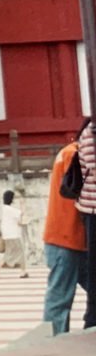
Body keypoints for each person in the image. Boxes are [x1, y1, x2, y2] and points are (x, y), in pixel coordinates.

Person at [43, 135, 88, 334]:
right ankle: (53, 343)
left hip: (70, 238)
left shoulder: (68, 152)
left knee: (60, 298)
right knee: (59, 300)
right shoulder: (75, 155)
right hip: (67, 237)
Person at [75, 120, 96, 328]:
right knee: (94, 264)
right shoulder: (90, 132)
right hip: (93, 209)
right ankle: (92, 317)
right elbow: (93, 167)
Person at [0, 190, 28, 278]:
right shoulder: (10, 209)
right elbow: (21, 215)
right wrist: (22, 203)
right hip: (13, 235)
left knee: (13, 254)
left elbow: (18, 220)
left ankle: (23, 272)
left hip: (9, 235)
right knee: (17, 253)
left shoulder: (5, 209)